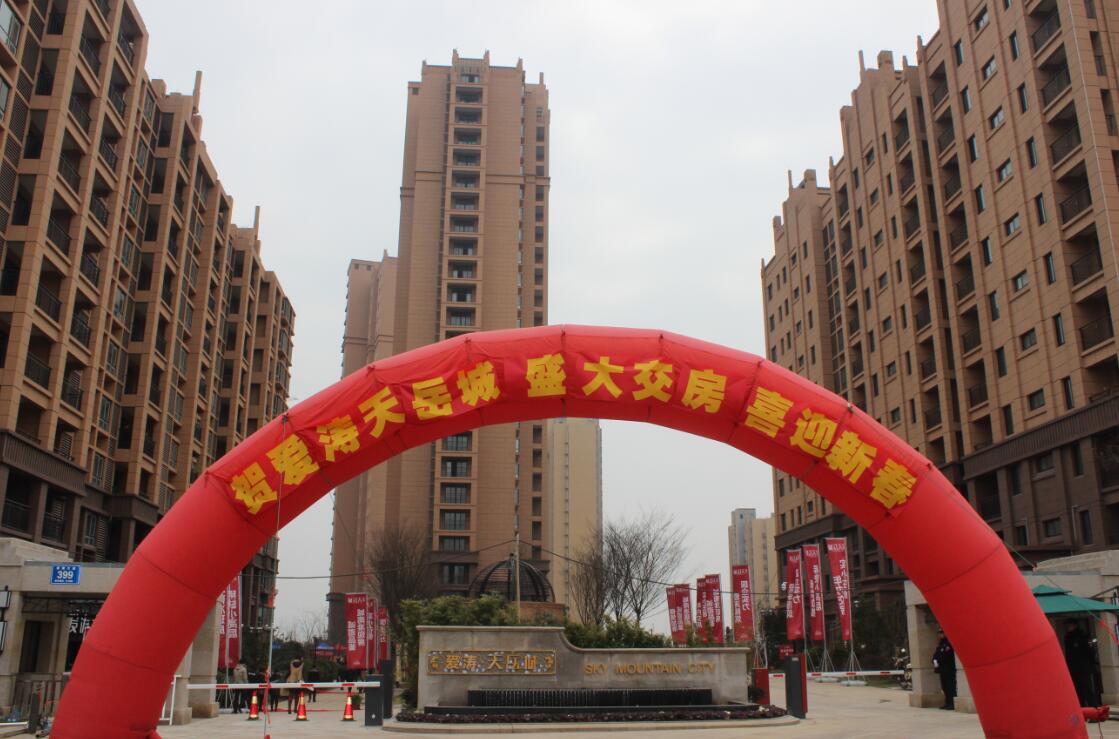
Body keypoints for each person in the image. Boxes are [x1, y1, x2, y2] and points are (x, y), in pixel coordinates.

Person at [1064, 619, 1099, 707]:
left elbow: (1090, 651)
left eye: (1069, 626)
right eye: (1067, 626)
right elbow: (1068, 654)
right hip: (1073, 667)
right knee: (1078, 689)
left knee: (1086, 688)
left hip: (1083, 667)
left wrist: (1090, 663)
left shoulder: (1082, 637)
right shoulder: (1067, 637)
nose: (1068, 628)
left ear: (1075, 626)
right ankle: (1082, 708)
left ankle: (1093, 707)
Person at [932, 628, 956, 710]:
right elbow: (937, 654)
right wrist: (934, 660)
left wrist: (939, 660)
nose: (940, 635)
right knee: (945, 687)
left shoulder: (948, 643)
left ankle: (952, 703)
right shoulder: (941, 644)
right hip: (942, 669)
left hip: (949, 668)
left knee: (950, 686)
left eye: (942, 633)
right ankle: (947, 702)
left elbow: (946, 655)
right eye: (940, 633)